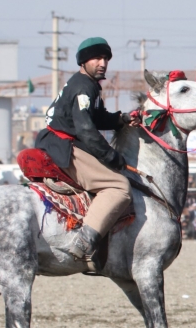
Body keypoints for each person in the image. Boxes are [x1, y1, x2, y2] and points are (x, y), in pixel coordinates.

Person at [34, 37, 131, 261]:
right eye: (96, 58)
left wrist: (121, 119)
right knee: (119, 186)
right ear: (83, 62)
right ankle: (83, 242)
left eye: (105, 59)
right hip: (63, 146)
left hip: (60, 142)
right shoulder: (83, 88)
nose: (102, 63)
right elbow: (86, 129)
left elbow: (97, 117)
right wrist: (112, 157)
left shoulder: (87, 84)